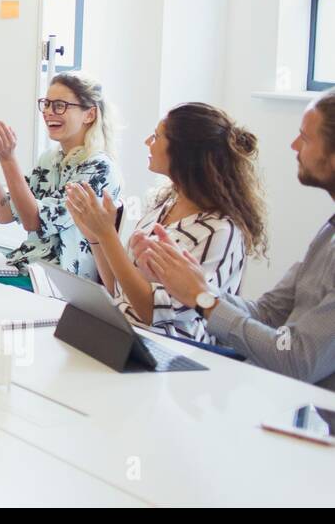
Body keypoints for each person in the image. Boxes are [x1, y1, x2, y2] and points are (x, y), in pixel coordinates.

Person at [140, 91, 335, 389]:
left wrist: (203, 299)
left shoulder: (220, 227)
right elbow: (267, 313)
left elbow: (296, 358)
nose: (293, 146)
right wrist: (194, 287)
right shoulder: (328, 233)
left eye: (305, 139)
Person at [65, 103, 267, 342]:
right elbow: (119, 290)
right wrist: (96, 238)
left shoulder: (220, 231)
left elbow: (151, 312)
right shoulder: (164, 206)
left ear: (183, 152)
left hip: (175, 355)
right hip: (127, 336)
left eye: (157, 136)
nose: (148, 142)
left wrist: (107, 235)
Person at [0, 72, 121, 283]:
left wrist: (8, 160)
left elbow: (34, 221)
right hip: (28, 267)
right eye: (46, 104)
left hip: (59, 282)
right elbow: (4, 213)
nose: (48, 112)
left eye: (59, 105)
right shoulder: (50, 160)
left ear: (89, 115)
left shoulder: (99, 168)